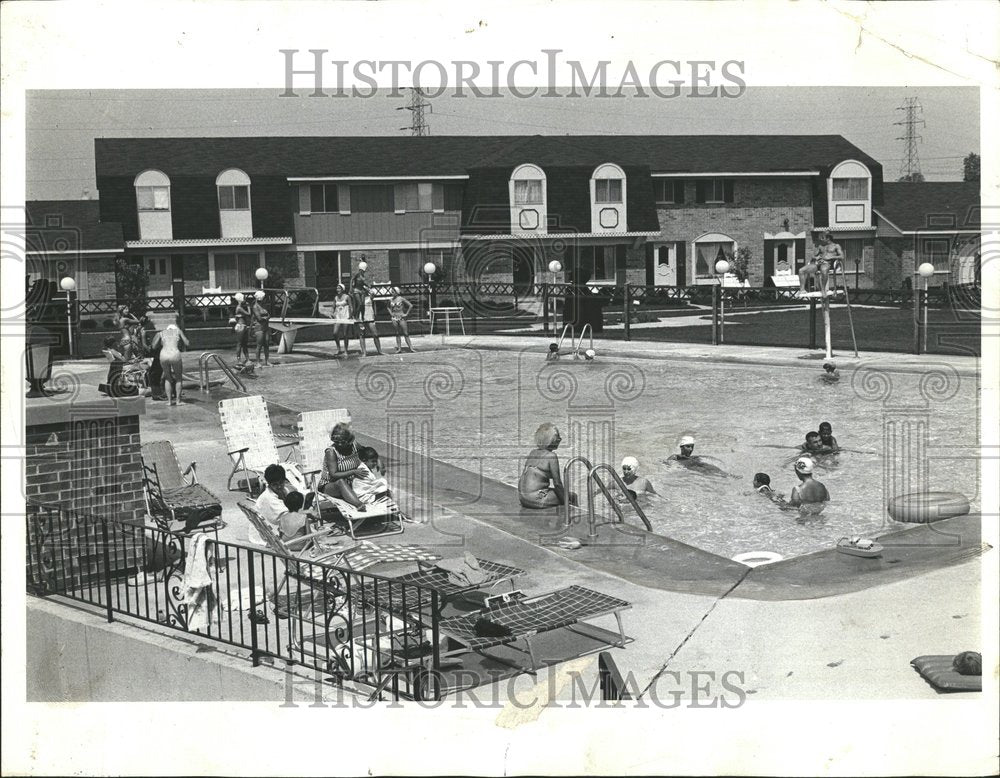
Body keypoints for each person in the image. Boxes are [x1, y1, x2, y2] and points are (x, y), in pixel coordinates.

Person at [518, 423, 574, 509]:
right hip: (536, 499)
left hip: (523, 498)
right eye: (558, 438)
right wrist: (566, 502)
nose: (560, 440)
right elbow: (557, 484)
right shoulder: (551, 456)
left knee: (561, 494)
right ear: (552, 440)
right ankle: (572, 518)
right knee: (572, 496)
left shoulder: (533, 453)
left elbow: (527, 476)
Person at [319, 422, 365, 506]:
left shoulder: (354, 445)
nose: (339, 444)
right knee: (341, 482)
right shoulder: (331, 452)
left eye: (343, 442)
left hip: (351, 484)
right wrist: (353, 472)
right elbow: (334, 474)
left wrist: (378, 462)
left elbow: (366, 452)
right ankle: (359, 504)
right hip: (330, 486)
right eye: (337, 441)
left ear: (349, 440)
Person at [150, 317, 189, 406]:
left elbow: (154, 346)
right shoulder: (178, 331)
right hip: (175, 354)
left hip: (163, 355)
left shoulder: (161, 333)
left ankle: (169, 401)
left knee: (168, 378)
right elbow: (187, 343)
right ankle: (178, 401)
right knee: (178, 378)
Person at [665, 435, 736, 478]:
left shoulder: (693, 457)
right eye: (688, 446)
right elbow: (666, 465)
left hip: (698, 464)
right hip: (691, 467)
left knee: (708, 466)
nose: (690, 449)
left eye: (692, 447)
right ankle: (725, 476)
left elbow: (704, 458)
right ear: (681, 447)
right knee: (709, 473)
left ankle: (728, 475)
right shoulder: (675, 457)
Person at [798, 230, 844, 297]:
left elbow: (842, 256)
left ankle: (823, 289)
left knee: (824, 270)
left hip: (828, 263)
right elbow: (813, 255)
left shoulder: (836, 246)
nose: (821, 239)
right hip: (818, 263)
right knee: (801, 270)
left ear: (828, 238)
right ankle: (802, 290)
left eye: (823, 237)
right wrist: (816, 258)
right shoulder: (820, 246)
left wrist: (831, 257)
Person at [351, 269, 383, 357]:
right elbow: (355, 305)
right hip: (361, 317)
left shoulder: (369, 295)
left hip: (370, 316)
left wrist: (368, 289)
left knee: (375, 334)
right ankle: (364, 352)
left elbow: (373, 294)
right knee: (362, 335)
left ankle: (379, 351)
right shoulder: (356, 294)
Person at [388, 287, 415, 353]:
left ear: (397, 292)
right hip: (394, 317)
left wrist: (406, 314)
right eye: (392, 291)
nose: (392, 293)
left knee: (406, 333)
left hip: (401, 317)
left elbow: (410, 305)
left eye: (393, 291)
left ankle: (411, 348)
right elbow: (388, 307)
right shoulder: (390, 300)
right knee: (397, 333)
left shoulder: (401, 298)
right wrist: (391, 313)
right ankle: (399, 348)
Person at [331, 284, 354, 357]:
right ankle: (338, 348)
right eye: (337, 288)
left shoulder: (347, 297)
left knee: (345, 334)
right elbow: (333, 307)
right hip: (338, 316)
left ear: (342, 289)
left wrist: (350, 315)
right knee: (335, 333)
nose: (338, 290)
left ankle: (346, 351)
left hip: (345, 316)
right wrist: (332, 313)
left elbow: (351, 307)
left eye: (339, 288)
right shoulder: (335, 297)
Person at [252, 290, 271, 366]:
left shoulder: (263, 306)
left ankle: (267, 360)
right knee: (259, 345)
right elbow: (259, 318)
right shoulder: (255, 307)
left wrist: (265, 317)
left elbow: (269, 315)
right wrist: (265, 317)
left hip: (265, 327)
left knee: (266, 344)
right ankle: (258, 362)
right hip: (259, 327)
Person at [233, 292, 251, 365]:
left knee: (244, 344)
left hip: (243, 326)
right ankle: (239, 359)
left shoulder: (240, 307)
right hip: (241, 326)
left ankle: (247, 359)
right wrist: (248, 306)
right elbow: (249, 314)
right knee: (240, 343)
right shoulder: (239, 308)